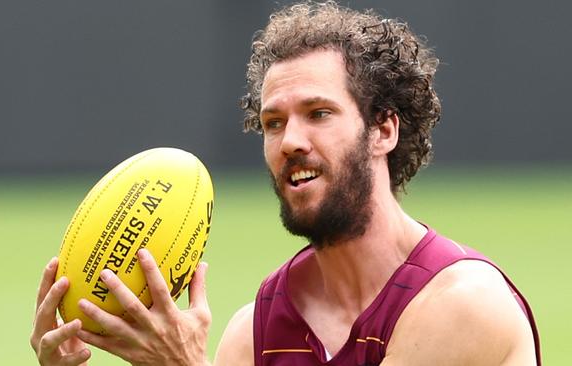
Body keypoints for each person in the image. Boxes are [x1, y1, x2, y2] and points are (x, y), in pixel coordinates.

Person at [30, 1, 541, 365]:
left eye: (318, 113)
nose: (290, 140)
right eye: (273, 123)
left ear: (383, 129)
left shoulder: (463, 303)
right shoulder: (255, 333)